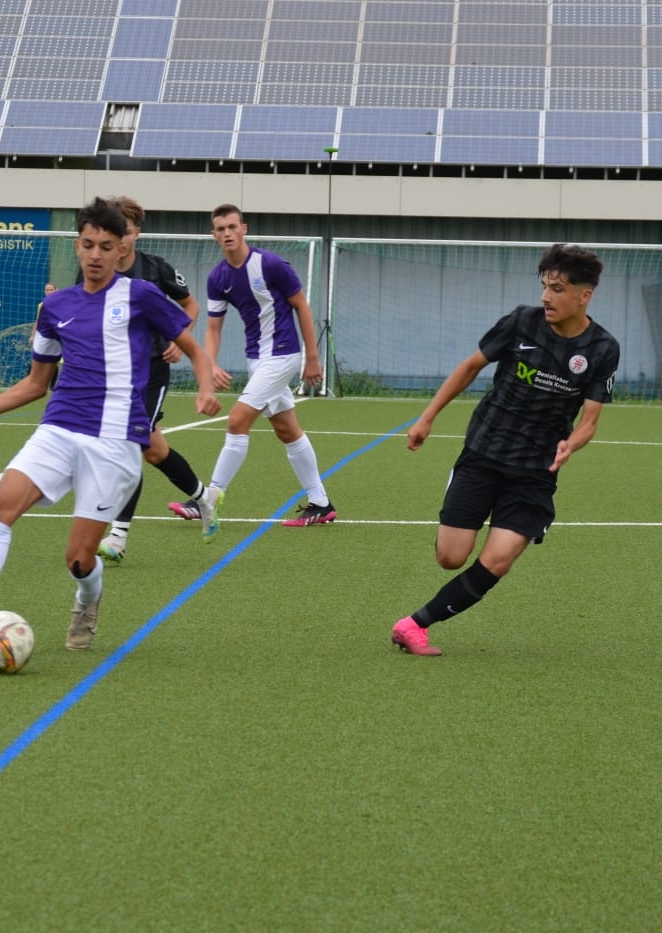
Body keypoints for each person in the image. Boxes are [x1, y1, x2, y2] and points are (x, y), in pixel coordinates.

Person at [0, 198, 221, 656]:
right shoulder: (55, 306)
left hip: (115, 442)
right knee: (0, 505)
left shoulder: (140, 295)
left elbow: (193, 349)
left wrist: (205, 388)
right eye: (88, 244)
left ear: (120, 249)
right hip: (59, 428)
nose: (96, 255)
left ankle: (87, 599)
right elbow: (36, 384)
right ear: (77, 246)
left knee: (79, 559)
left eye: (106, 247)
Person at [391, 243, 618, 657]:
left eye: (558, 289)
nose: (546, 297)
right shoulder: (521, 322)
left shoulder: (602, 348)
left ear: (584, 295)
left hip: (536, 468)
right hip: (485, 450)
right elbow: (470, 367)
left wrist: (571, 445)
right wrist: (427, 417)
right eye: (545, 286)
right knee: (450, 557)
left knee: (497, 560)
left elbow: (590, 422)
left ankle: (414, 625)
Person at [198, 203, 336, 541]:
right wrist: (211, 364)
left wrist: (312, 358)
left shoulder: (270, 264)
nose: (227, 233)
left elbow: (301, 306)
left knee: (236, 421)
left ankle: (210, 496)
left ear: (243, 229)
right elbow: (213, 328)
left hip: (283, 355)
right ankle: (321, 503)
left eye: (232, 226)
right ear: (214, 235)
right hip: (257, 360)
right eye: (221, 229)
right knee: (287, 430)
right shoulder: (217, 278)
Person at [86, 196, 213, 565]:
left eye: (124, 232)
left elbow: (190, 305)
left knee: (130, 443)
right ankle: (204, 497)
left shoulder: (155, 269)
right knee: (154, 450)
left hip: (151, 369)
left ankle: (118, 536)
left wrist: (178, 339)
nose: (118, 239)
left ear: (136, 233)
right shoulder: (95, 269)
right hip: (113, 374)